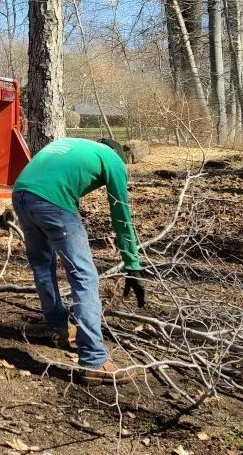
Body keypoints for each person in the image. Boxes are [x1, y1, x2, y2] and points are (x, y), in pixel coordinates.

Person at [12, 137, 145, 385]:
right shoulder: (113, 160)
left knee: (43, 265)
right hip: (52, 202)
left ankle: (59, 330)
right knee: (83, 275)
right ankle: (94, 360)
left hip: (21, 195)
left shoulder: (74, 145)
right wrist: (132, 265)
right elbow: (121, 214)